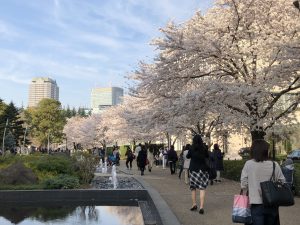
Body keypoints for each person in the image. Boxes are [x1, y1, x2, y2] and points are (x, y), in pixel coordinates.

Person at [241, 139, 285, 225]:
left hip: (255, 204)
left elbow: (243, 184)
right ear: (265, 151)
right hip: (271, 203)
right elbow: (282, 181)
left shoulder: (248, 164)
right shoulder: (274, 164)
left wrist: (253, 186)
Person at [186, 135, 210, 214]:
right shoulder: (204, 148)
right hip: (203, 170)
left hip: (194, 170)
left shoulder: (192, 148)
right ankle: (201, 207)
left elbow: (187, 156)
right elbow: (207, 156)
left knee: (193, 188)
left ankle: (194, 204)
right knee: (202, 188)